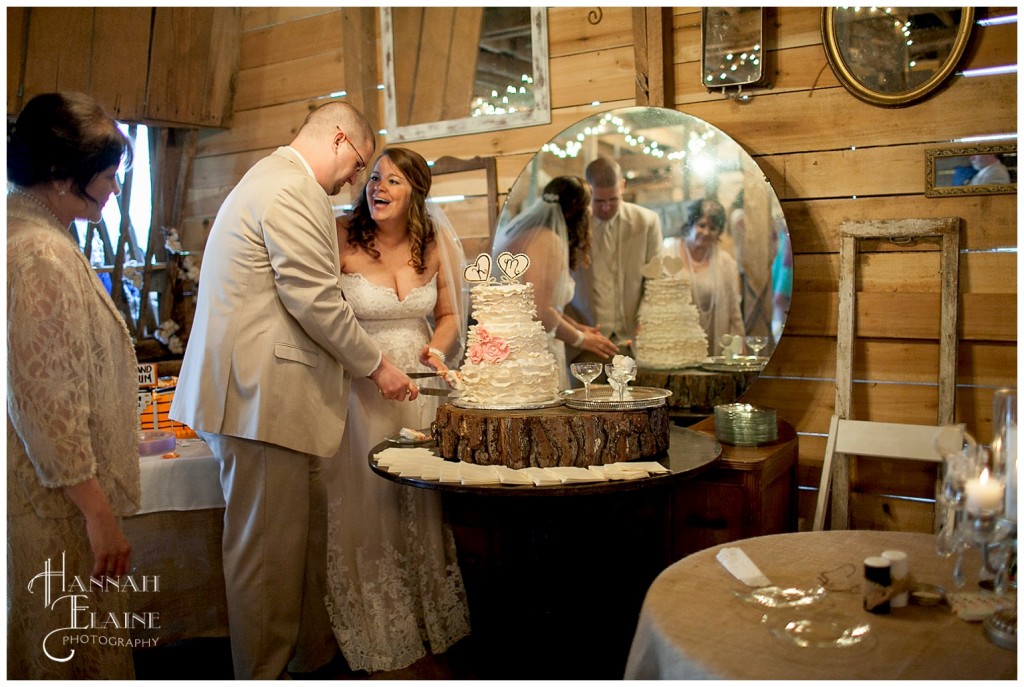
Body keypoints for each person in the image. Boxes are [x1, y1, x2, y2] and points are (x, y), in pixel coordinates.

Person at [169, 101, 418, 680]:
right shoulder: (292, 188)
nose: (357, 180)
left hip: (271, 400)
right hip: (260, 401)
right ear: (338, 139)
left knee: (292, 559)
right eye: (359, 165)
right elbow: (313, 298)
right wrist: (377, 366)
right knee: (266, 565)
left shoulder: (274, 179)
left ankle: (303, 667)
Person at [7, 92, 139, 679]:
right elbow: (46, 401)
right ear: (62, 176)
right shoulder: (37, 252)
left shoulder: (37, 233)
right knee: (70, 644)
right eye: (108, 176)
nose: (114, 189)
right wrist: (97, 514)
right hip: (55, 502)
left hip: (46, 490)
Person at [327, 147, 471, 672]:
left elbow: (449, 313)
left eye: (392, 180)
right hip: (361, 389)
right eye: (373, 177)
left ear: (416, 192)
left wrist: (437, 347)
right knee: (369, 502)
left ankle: (428, 616)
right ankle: (376, 624)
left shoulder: (429, 243)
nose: (377, 186)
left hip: (420, 390)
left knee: (420, 503)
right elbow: (320, 313)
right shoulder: (341, 236)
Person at [492, 176, 618, 387]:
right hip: (530, 354)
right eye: (588, 205)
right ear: (577, 211)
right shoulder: (548, 241)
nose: (590, 212)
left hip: (512, 344)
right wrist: (581, 339)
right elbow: (540, 311)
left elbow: (538, 304)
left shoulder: (525, 234)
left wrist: (578, 326)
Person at [565, 156, 663, 368]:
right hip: (584, 347)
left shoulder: (646, 222)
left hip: (633, 343)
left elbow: (655, 279)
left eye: (614, 200)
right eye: (599, 201)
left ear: (622, 186)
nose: (607, 207)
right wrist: (576, 332)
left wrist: (645, 320)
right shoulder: (570, 224)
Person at [671, 198, 745, 355]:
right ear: (691, 224)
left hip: (713, 343)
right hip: (675, 344)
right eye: (701, 225)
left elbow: (734, 312)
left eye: (713, 228)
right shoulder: (669, 254)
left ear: (719, 232)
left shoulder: (726, 263)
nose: (705, 232)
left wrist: (740, 347)